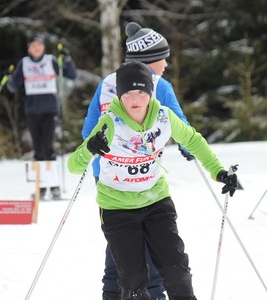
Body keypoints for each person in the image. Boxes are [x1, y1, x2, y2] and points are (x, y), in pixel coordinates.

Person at [68, 61, 238, 300]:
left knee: (176, 269)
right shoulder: (109, 123)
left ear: (149, 93)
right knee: (133, 280)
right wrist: (89, 148)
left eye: (141, 92)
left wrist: (219, 172)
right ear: (119, 95)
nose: (134, 99)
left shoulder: (164, 118)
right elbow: (74, 166)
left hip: (156, 201)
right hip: (117, 208)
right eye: (127, 93)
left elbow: (194, 141)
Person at [82, 22, 193, 300]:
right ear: (148, 61)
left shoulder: (108, 83)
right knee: (150, 240)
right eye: (161, 58)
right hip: (142, 177)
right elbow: (181, 125)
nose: (166, 64)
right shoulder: (158, 86)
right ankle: (152, 294)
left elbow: (88, 132)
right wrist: (188, 148)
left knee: (121, 241)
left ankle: (113, 293)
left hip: (107, 175)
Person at [7, 33, 77, 199]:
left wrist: (66, 60)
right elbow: (12, 86)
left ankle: (53, 187)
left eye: (39, 45)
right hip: (32, 111)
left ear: (43, 47)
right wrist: (9, 78)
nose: (36, 48)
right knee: (38, 150)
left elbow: (71, 74)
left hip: (50, 110)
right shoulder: (24, 63)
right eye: (33, 45)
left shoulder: (51, 61)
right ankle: (41, 188)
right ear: (29, 48)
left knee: (49, 148)